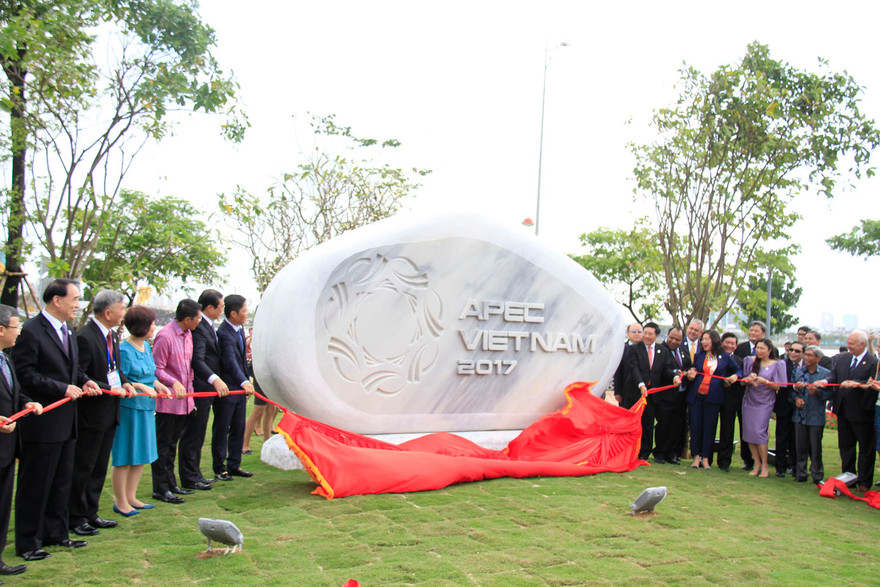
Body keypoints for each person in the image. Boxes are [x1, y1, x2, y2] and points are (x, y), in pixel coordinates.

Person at [12, 279, 101, 561]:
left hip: (67, 420)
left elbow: (73, 371)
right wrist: (60, 388)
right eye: (75, 299)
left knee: (62, 480)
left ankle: (56, 533)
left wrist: (85, 382)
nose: (78, 305)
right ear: (56, 300)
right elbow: (24, 375)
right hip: (42, 421)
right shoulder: (31, 331)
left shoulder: (68, 331)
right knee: (36, 482)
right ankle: (28, 542)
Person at [69, 290, 136, 537]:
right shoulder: (85, 337)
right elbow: (79, 374)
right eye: (121, 309)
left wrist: (126, 382)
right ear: (108, 312)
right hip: (92, 414)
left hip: (110, 411)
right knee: (84, 466)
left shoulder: (111, 335)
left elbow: (114, 368)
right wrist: (110, 388)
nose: (123, 314)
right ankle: (76, 516)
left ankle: (91, 512)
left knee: (98, 467)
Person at [111, 306, 168, 515]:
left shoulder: (146, 347)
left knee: (142, 453)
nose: (154, 328)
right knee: (125, 455)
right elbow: (121, 379)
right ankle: (120, 500)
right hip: (129, 409)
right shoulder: (124, 350)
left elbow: (149, 375)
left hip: (146, 408)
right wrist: (140, 386)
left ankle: (132, 496)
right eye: (151, 324)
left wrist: (158, 385)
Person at [0, 305, 42, 577]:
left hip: (7, 448)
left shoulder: (6, 357)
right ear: (1, 329)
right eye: (17, 326)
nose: (20, 332)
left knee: (3, 506)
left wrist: (27, 402)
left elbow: (14, 392)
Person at [151, 299, 201, 504]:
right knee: (163, 446)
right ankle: (160, 488)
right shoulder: (165, 336)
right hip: (168, 402)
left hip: (184, 401)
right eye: (197, 318)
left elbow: (187, 369)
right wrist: (173, 383)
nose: (199, 322)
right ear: (187, 319)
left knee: (173, 445)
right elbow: (156, 368)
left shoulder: (189, 335)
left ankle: (171, 484)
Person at [816, 330, 879, 492]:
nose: (848, 346)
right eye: (848, 343)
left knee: (865, 448)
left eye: (852, 344)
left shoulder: (872, 362)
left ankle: (864, 481)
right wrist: (824, 381)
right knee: (845, 446)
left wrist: (855, 383)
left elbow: (871, 383)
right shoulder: (843, 358)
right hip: (842, 410)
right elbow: (833, 376)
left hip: (862, 411)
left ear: (862, 344)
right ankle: (848, 477)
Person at [179, 289, 228, 491]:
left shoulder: (207, 327)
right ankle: (189, 476)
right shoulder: (199, 329)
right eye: (221, 307)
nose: (223, 310)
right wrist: (214, 378)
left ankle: (195, 473)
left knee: (199, 434)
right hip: (200, 387)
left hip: (207, 389)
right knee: (193, 433)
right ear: (210, 308)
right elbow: (197, 360)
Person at [212, 295, 256, 480]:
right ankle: (219, 467)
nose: (246, 314)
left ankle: (234, 464)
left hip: (239, 389)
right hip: (228, 389)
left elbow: (241, 361)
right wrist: (243, 382)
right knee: (222, 429)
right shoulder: (223, 333)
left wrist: (247, 379)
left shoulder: (238, 330)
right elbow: (229, 361)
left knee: (238, 427)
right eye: (244, 311)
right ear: (233, 313)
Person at [623, 322, 680, 460]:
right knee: (631, 423)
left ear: (657, 335)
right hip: (634, 393)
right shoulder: (634, 349)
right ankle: (628, 450)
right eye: (645, 333)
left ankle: (644, 452)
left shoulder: (662, 350)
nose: (647, 336)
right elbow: (633, 368)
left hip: (652, 394)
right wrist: (641, 384)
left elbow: (666, 368)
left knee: (648, 424)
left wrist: (675, 376)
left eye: (650, 334)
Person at [684, 330, 740, 469]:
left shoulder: (725, 357)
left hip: (713, 397)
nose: (703, 342)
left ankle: (706, 458)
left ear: (714, 340)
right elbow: (693, 370)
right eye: (702, 340)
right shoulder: (699, 356)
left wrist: (734, 377)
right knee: (696, 426)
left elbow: (739, 370)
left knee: (709, 427)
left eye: (706, 339)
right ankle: (696, 457)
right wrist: (690, 373)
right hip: (696, 396)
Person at [741, 338, 787, 478]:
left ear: (769, 350)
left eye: (762, 348)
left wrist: (765, 381)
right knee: (749, 433)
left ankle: (765, 464)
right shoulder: (750, 360)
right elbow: (743, 380)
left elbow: (780, 385)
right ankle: (757, 464)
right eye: (757, 348)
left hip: (764, 402)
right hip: (749, 401)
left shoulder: (778, 364)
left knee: (760, 432)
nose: (759, 351)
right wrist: (749, 378)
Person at [791, 346, 832, 483]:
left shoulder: (826, 374)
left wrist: (818, 393)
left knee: (815, 448)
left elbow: (831, 394)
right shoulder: (797, 372)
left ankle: (817, 475)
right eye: (805, 355)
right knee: (800, 447)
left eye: (810, 355)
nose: (806, 358)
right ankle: (801, 474)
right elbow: (790, 391)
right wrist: (796, 399)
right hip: (800, 415)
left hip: (816, 416)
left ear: (818, 358)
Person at [655, 326, 690, 464]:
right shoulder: (660, 350)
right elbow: (664, 369)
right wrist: (674, 374)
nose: (674, 341)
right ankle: (659, 452)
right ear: (667, 335)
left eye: (678, 339)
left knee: (677, 426)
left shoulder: (683, 351)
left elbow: (687, 366)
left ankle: (672, 453)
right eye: (672, 338)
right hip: (665, 395)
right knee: (663, 425)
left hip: (681, 395)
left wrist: (690, 371)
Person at [774, 341, 804, 477]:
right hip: (784, 405)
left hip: (801, 408)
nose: (793, 353)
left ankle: (796, 467)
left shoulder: (806, 366)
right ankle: (780, 467)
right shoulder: (782, 364)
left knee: (796, 439)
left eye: (797, 351)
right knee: (781, 438)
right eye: (791, 349)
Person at [716, 332, 745, 472]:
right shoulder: (715, 357)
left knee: (727, 431)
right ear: (722, 343)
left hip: (731, 399)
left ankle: (724, 461)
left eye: (732, 343)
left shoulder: (740, 361)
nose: (729, 345)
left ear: (736, 346)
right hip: (714, 397)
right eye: (727, 342)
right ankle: (706, 458)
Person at [612, 323, 642, 403]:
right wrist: (617, 392)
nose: (637, 334)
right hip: (625, 392)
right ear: (628, 333)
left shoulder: (646, 349)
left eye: (639, 332)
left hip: (642, 392)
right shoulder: (622, 349)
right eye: (634, 331)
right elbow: (618, 372)